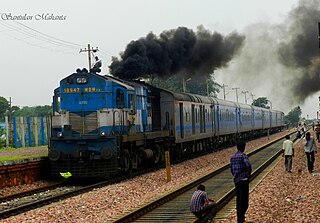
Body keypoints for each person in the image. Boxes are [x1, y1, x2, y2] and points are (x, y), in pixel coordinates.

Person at [230, 140, 252, 223]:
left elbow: (231, 169)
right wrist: (248, 174)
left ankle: (240, 218)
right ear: (244, 147)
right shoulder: (243, 156)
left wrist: (235, 175)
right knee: (244, 200)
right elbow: (248, 165)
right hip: (244, 180)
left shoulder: (232, 157)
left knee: (238, 199)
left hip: (236, 180)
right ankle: (241, 219)